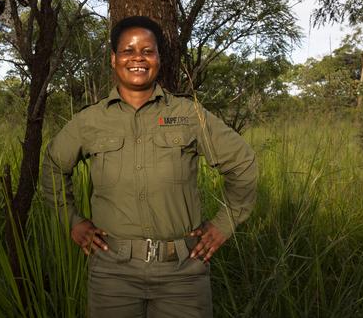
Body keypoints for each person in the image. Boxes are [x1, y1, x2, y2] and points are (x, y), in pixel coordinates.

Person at [41, 16, 257, 318]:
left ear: (158, 58)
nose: (138, 58)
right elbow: (52, 164)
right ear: (114, 58)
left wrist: (223, 224)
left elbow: (243, 163)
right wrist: (72, 221)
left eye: (147, 50)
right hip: (112, 273)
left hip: (182, 271)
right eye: (128, 51)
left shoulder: (188, 113)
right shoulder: (90, 120)